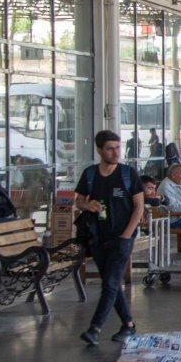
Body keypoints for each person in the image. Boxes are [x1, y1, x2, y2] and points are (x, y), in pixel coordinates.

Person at [75, 130, 144, 346]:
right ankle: (128, 325)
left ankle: (95, 328)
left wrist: (126, 236)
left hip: (122, 238)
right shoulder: (90, 175)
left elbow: (139, 206)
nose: (116, 153)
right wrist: (89, 205)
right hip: (98, 237)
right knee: (111, 283)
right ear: (99, 150)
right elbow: (78, 201)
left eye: (117, 147)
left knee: (110, 282)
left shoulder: (127, 174)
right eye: (110, 149)